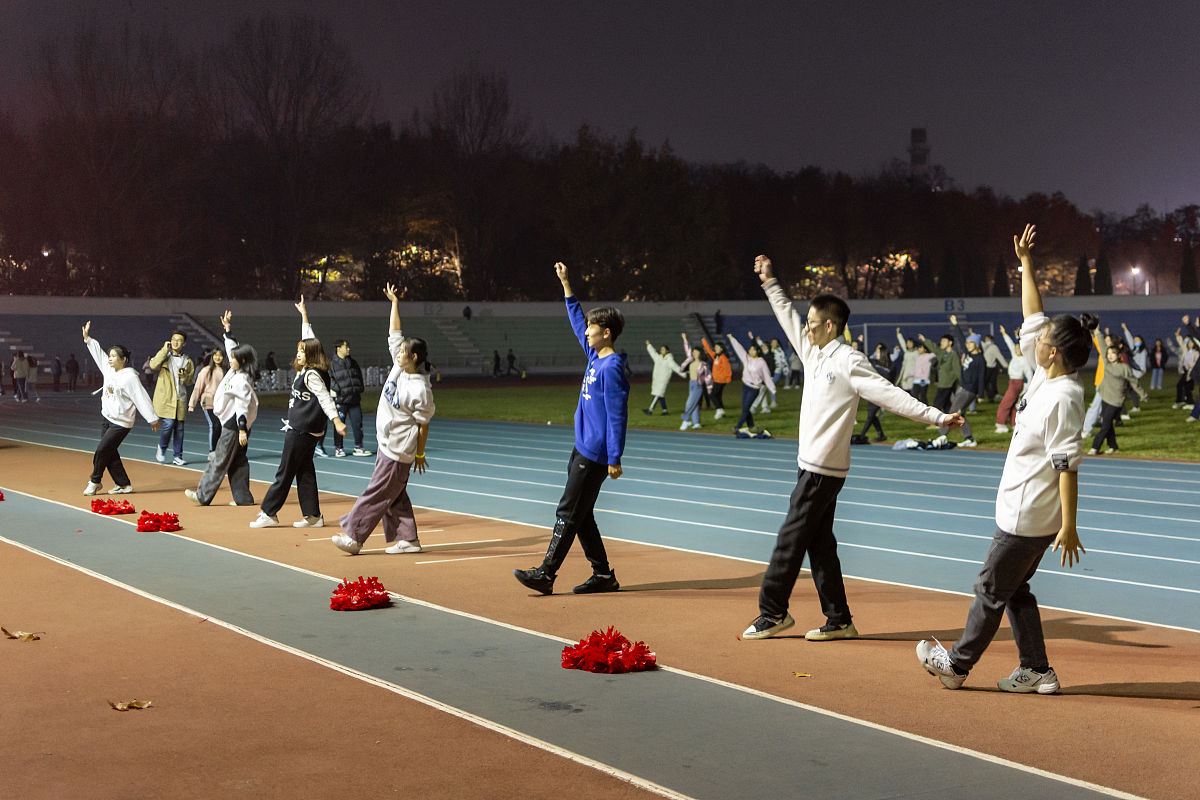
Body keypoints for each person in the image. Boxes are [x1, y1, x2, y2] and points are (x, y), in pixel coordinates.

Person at [741, 255, 963, 641]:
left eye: (813, 325)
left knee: (790, 540)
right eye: (807, 325)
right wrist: (770, 282)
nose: (806, 330)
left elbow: (891, 396)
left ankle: (773, 611)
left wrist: (937, 417)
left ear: (831, 326)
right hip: (809, 466)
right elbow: (786, 316)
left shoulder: (849, 361)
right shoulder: (813, 352)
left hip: (823, 470)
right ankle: (839, 619)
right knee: (820, 544)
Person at [917, 224, 1093, 694]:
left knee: (990, 590)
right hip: (1027, 511)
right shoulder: (1046, 375)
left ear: (1052, 352)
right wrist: (1027, 264)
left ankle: (955, 665)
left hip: (1027, 516)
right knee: (1015, 590)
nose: (1034, 337)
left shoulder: (1063, 397)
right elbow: (1034, 313)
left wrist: (1069, 525)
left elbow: (1067, 465)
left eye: (1043, 338)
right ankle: (1037, 669)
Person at [513, 262, 628, 595]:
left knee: (568, 510)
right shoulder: (594, 356)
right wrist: (566, 284)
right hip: (582, 446)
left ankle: (546, 573)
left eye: (593, 328)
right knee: (582, 513)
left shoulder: (612, 367)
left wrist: (614, 457)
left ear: (606, 332)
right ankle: (604, 576)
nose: (587, 331)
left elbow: (617, 415)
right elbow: (577, 320)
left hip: (595, 453)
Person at [332, 284, 436, 556]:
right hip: (386, 443)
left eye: (403, 352)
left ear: (413, 357)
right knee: (394, 494)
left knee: (377, 492)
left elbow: (424, 423)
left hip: (399, 450)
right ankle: (408, 539)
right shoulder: (399, 367)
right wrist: (394, 303)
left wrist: (420, 453)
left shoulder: (420, 389)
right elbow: (394, 332)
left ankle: (353, 536)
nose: (397, 353)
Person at [249, 297, 347, 529]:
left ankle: (269, 512)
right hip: (308, 430)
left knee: (284, 471)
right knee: (304, 471)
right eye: (298, 350)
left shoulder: (311, 375)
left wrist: (337, 420)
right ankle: (313, 516)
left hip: (302, 429)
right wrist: (304, 315)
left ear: (311, 355)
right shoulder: (309, 370)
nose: (299, 353)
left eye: (302, 351)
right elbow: (308, 337)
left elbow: (325, 397)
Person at [185, 312, 259, 507]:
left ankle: (202, 495)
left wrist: (242, 429)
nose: (229, 359)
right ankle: (243, 498)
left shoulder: (242, 379)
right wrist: (227, 329)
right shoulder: (236, 371)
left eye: (234, 358)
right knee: (238, 462)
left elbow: (242, 405)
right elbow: (231, 347)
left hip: (234, 426)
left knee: (219, 460)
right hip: (235, 425)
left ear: (242, 361)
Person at [80, 321, 161, 495]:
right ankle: (124, 485)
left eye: (114, 356)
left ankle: (95, 481)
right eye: (109, 355)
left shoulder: (130, 377)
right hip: (106, 419)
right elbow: (98, 354)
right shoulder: (108, 369)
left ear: (123, 360)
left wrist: (152, 418)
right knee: (110, 453)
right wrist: (88, 339)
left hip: (121, 423)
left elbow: (141, 397)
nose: (109, 358)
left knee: (102, 450)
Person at [1087, 344, 1146, 454]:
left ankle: (1095, 447)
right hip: (1105, 398)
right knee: (1107, 423)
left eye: (1112, 353)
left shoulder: (1124, 368)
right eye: (1108, 353)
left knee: (1105, 425)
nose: (1109, 355)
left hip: (1117, 401)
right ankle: (1113, 446)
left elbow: (1134, 382)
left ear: (1118, 355)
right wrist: (1098, 332)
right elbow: (1102, 346)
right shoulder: (1107, 364)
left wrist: (1142, 395)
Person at [150, 331, 195, 465]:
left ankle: (177, 456)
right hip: (166, 397)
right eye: (173, 339)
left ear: (184, 343)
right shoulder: (165, 356)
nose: (175, 342)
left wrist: (184, 376)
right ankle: (162, 448)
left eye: (179, 340)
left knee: (179, 428)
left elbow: (189, 381)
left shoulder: (187, 361)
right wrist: (164, 349)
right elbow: (153, 365)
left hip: (180, 398)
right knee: (168, 424)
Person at [726, 332, 775, 434]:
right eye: (750, 350)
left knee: (746, 408)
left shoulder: (761, 362)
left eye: (753, 350)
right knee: (745, 408)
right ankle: (751, 426)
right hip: (745, 386)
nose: (750, 351)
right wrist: (732, 338)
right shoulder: (746, 358)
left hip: (754, 388)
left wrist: (772, 388)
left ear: (757, 351)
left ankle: (737, 427)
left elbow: (766, 376)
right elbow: (739, 349)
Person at [330, 338, 371, 457]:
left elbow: (359, 376)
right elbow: (329, 379)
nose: (348, 349)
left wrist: (359, 388)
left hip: (354, 399)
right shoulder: (332, 364)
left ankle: (358, 446)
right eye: (345, 347)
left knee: (358, 424)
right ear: (339, 348)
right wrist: (339, 390)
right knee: (340, 424)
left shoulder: (353, 362)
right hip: (341, 400)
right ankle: (339, 448)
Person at [189, 348, 226, 455]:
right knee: (215, 424)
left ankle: (220, 449)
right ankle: (212, 451)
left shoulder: (227, 371)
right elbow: (198, 387)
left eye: (220, 355)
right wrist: (192, 404)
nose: (217, 357)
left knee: (222, 426)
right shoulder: (206, 370)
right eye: (215, 355)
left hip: (222, 403)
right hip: (208, 400)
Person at [995, 323, 1030, 433]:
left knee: (1005, 403)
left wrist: (1024, 390)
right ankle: (1015, 425)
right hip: (1012, 382)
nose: (1016, 350)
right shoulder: (1015, 355)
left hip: (1017, 384)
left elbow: (1030, 377)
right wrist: (1004, 334)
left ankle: (1001, 425)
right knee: (1013, 405)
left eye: (1018, 348)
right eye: (1015, 348)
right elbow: (1010, 344)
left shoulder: (1025, 361)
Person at [918, 324, 961, 412]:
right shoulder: (942, 353)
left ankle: (934, 422)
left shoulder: (953, 355)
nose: (942, 342)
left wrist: (962, 383)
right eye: (941, 341)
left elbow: (958, 370)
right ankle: (949, 421)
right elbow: (934, 347)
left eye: (944, 341)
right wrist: (924, 340)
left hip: (947, 383)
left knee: (937, 403)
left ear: (950, 343)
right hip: (942, 382)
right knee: (946, 404)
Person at [859, 343, 892, 442]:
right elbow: (863, 356)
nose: (876, 353)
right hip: (871, 390)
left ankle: (861, 436)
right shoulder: (874, 362)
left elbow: (891, 380)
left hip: (882, 392)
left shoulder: (891, 366)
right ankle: (881, 434)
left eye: (878, 351)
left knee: (871, 415)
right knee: (872, 415)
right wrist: (861, 344)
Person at [643, 339, 685, 415]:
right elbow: (653, 353)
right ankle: (665, 410)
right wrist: (649, 345)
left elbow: (676, 367)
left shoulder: (669, 360)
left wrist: (684, 374)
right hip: (657, 379)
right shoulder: (658, 358)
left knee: (658, 394)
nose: (661, 351)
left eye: (663, 349)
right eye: (661, 349)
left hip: (663, 380)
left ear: (667, 351)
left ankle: (650, 410)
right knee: (660, 395)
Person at [678, 333, 705, 430]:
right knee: (694, 404)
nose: (694, 353)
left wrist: (710, 388)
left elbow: (709, 377)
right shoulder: (691, 361)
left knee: (689, 403)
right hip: (691, 384)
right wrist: (685, 339)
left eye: (696, 352)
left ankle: (686, 420)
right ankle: (696, 423)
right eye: (694, 352)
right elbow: (687, 349)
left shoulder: (703, 364)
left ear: (700, 353)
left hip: (698, 385)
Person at [702, 337, 731, 418]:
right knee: (718, 396)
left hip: (721, 380)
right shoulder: (716, 356)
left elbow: (727, 369)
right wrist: (704, 342)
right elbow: (709, 350)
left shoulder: (723, 358)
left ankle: (719, 409)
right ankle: (722, 412)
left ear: (721, 349)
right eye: (715, 347)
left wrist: (727, 379)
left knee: (712, 395)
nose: (715, 348)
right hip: (716, 380)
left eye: (717, 347)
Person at [982, 333, 1009, 401]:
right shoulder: (984, 346)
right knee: (986, 383)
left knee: (991, 382)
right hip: (985, 367)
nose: (986, 340)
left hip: (991, 367)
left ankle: (992, 396)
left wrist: (1005, 365)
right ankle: (991, 395)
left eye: (987, 339)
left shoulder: (994, 347)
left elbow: (999, 356)